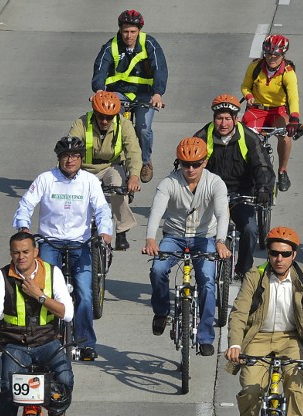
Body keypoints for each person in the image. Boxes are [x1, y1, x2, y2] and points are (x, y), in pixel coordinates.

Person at [224, 226, 303, 416]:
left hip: (290, 338)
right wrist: (236, 345)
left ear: (294, 255)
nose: (279, 259)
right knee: (251, 387)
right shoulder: (255, 276)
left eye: (284, 254)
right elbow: (239, 312)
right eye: (273, 253)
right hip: (258, 337)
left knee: (295, 384)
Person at [0, 232, 75, 416]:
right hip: (15, 343)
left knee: (64, 377)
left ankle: (57, 412)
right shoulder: (2, 276)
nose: (20, 257)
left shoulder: (52, 273)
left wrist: (40, 296)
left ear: (35, 252)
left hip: (47, 342)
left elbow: (67, 313)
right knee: (8, 389)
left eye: (25, 252)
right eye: (15, 252)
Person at [13, 136, 113, 361]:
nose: (70, 160)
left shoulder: (89, 181)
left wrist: (105, 231)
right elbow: (26, 204)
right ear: (59, 158)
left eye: (75, 156)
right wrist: (23, 227)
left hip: (80, 243)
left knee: (85, 294)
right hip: (50, 242)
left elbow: (101, 209)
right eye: (66, 156)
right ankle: (46, 338)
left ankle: (86, 342)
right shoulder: (46, 179)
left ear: (81, 159)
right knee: (45, 292)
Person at [143, 137, 231, 356]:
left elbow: (222, 213)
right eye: (185, 164)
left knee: (208, 283)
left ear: (205, 162)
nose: (190, 169)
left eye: (196, 164)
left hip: (205, 238)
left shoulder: (215, 183)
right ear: (179, 163)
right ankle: (161, 311)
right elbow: (156, 211)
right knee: (158, 269)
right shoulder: (168, 183)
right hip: (174, 236)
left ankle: (205, 337)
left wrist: (220, 241)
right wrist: (150, 239)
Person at [193, 94, 276, 277]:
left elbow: (262, 166)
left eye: (228, 119)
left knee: (250, 230)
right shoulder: (202, 137)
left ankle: (244, 268)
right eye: (219, 118)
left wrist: (263, 188)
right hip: (211, 193)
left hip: (241, 193)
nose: (223, 123)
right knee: (196, 231)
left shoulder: (248, 138)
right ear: (214, 119)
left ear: (236, 119)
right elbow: (188, 163)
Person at [92, 9, 168, 184]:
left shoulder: (150, 44)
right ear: (120, 30)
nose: (129, 35)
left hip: (144, 94)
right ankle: (111, 159)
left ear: (139, 31)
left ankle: (146, 161)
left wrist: (158, 93)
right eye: (125, 31)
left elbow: (160, 68)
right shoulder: (111, 46)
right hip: (118, 93)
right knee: (111, 124)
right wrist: (98, 90)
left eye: (133, 31)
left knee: (143, 129)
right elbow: (100, 67)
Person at [69, 90, 142, 251]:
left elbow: (133, 152)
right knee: (74, 196)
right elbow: (69, 149)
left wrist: (134, 176)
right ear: (94, 112)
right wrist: (69, 172)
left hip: (111, 166)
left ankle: (122, 230)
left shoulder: (124, 125)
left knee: (118, 188)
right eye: (101, 116)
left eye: (109, 117)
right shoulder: (81, 123)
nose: (104, 120)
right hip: (85, 168)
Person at [240, 34, 301, 193]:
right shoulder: (255, 67)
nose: (272, 58)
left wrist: (294, 118)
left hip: (278, 111)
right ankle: (245, 170)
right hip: (256, 110)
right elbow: (245, 86)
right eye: (268, 54)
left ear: (283, 55)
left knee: (285, 137)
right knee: (244, 137)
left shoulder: (288, 73)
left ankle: (282, 171)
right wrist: (249, 96)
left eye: (276, 55)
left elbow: (293, 96)